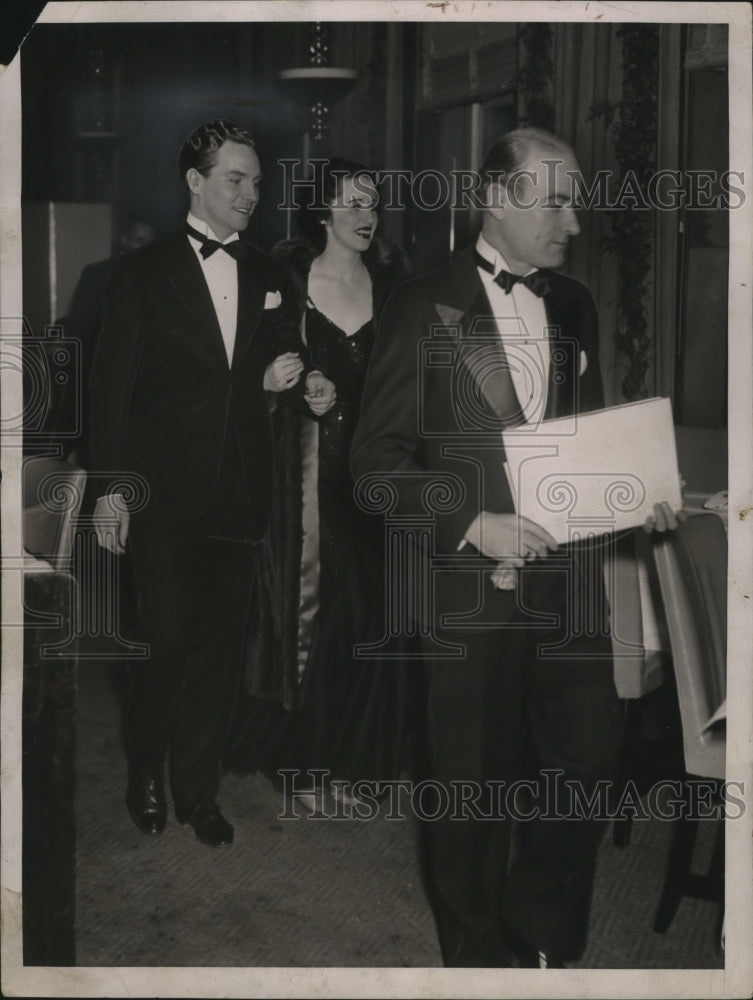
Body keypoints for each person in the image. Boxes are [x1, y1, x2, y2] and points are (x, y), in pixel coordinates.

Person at [351, 127, 683, 966]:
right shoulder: (418, 304)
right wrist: (472, 521)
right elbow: (373, 467)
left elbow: (586, 443)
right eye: (556, 200)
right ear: (496, 198)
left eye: (574, 200)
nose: (572, 221)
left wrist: (632, 493)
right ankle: (474, 958)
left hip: (567, 586)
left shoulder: (571, 303)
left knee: (592, 758)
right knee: (469, 785)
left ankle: (539, 932)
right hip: (467, 591)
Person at [89, 120, 336, 848]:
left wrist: (311, 386)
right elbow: (111, 391)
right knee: (163, 647)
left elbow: (289, 360)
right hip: (160, 493)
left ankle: (197, 791)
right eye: (235, 179)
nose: (250, 194)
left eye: (256, 182)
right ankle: (144, 775)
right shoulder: (138, 274)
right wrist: (109, 489)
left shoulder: (270, 274)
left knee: (217, 655)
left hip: (239, 495)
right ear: (194, 182)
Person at [224, 158, 418, 805]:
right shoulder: (288, 278)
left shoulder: (392, 281)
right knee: (319, 612)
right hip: (311, 470)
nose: (368, 215)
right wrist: (302, 382)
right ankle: (304, 763)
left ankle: (358, 763)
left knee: (374, 617)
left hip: (378, 470)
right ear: (324, 212)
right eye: (354, 203)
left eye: (373, 203)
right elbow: (258, 360)